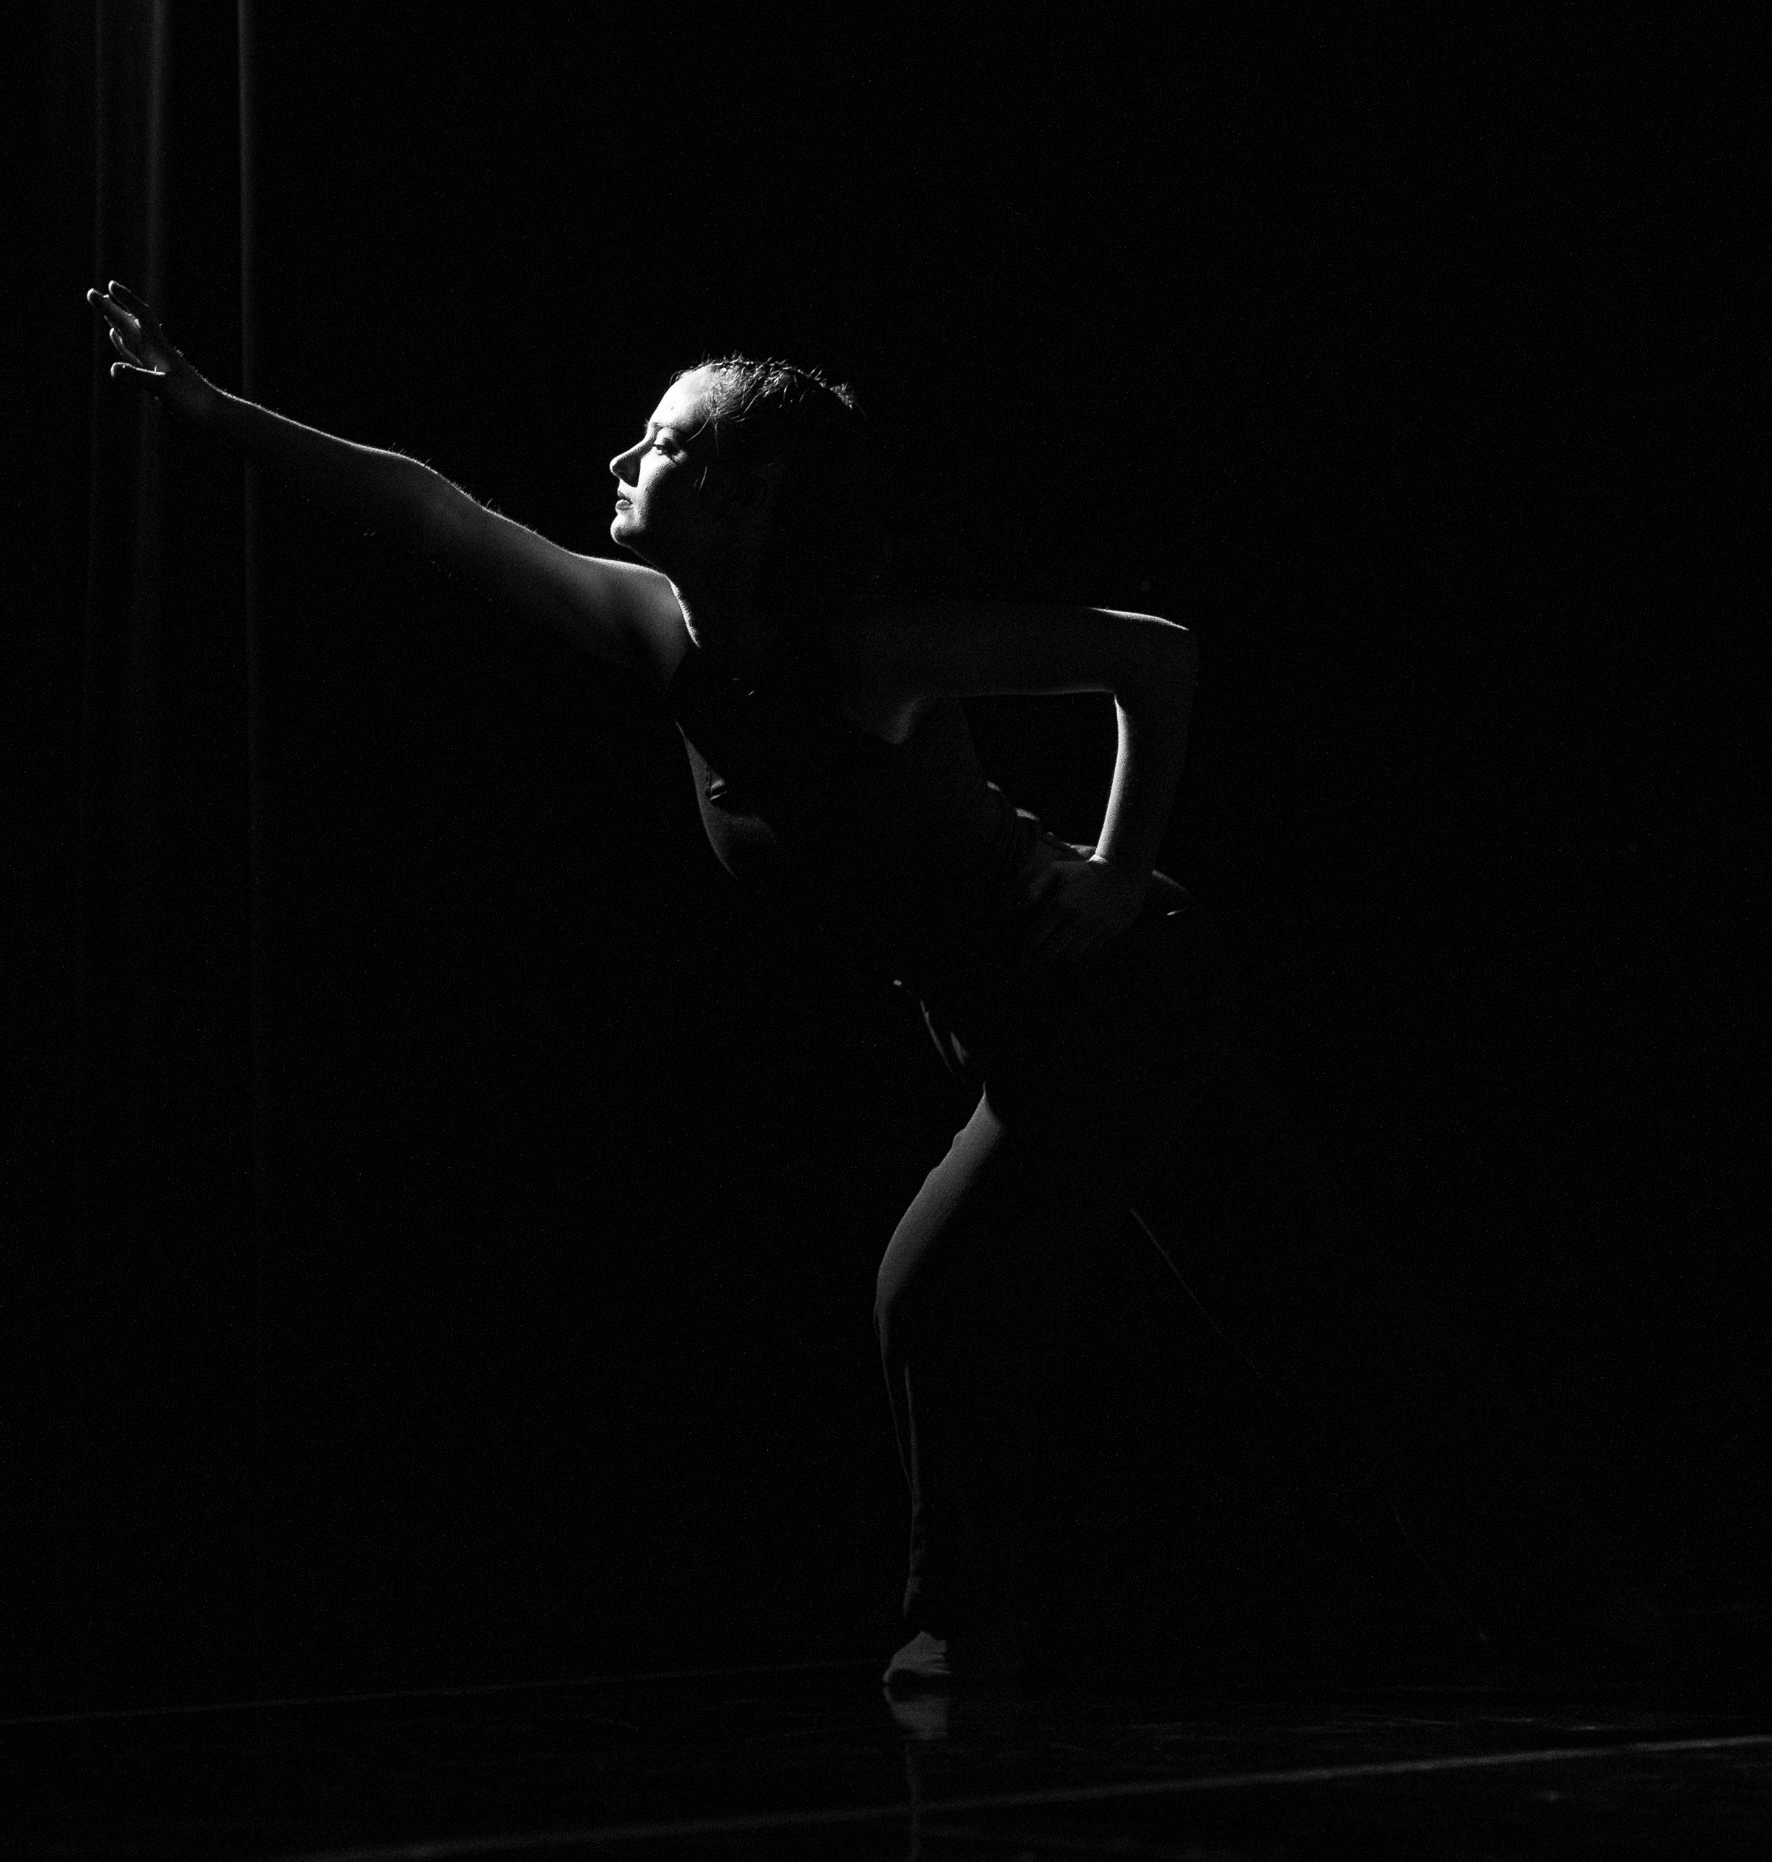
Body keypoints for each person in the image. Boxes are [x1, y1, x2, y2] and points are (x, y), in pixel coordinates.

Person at [85, 283, 1658, 1694]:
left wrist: (1113, 870)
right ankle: (1558, 1593)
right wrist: (215, 414)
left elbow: (1156, 658)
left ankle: (965, 1625)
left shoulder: (873, 654)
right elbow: (431, 513)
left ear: (750, 495)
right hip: (1027, 1018)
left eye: (661, 445)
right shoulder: (663, 639)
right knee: (1298, 1285)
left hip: (1120, 994)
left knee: (939, 1287)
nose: (622, 465)